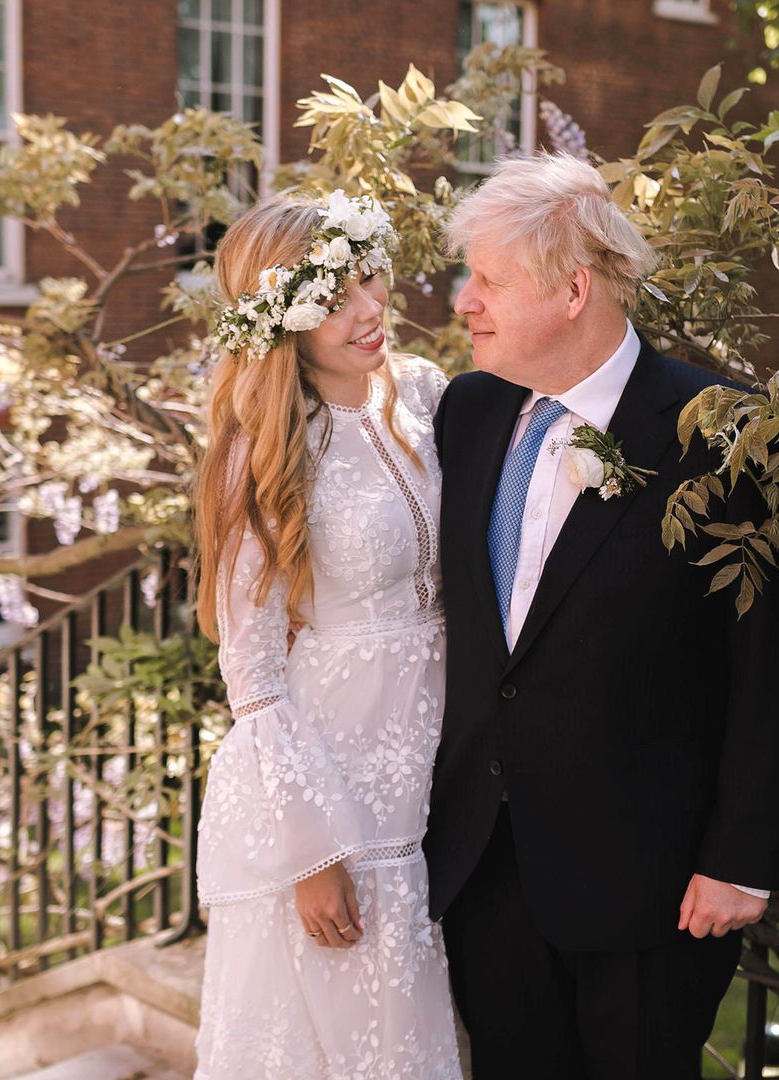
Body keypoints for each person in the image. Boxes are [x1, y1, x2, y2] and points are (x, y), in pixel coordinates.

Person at [424, 152, 779, 1079]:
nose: (463, 302)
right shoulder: (469, 412)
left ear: (572, 289)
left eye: (487, 280)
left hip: (653, 885)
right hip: (488, 865)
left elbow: (772, 664)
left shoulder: (725, 433)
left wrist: (740, 859)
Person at [189, 190, 463, 1080]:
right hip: (337, 779)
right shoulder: (264, 447)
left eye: (371, 280)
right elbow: (255, 671)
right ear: (286, 318)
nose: (370, 309)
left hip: (443, 753)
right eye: (336, 297)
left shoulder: (428, 396)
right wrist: (313, 853)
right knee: (355, 1038)